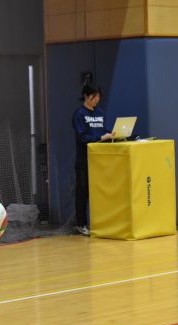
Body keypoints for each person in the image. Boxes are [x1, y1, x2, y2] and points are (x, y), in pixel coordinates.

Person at [72, 78, 114, 236]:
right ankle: (81, 224)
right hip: (84, 159)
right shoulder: (79, 114)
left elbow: (105, 130)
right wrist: (99, 138)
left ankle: (101, 222)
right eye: (93, 96)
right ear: (86, 96)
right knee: (83, 192)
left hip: (100, 160)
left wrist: (111, 135)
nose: (96, 99)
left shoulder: (100, 113)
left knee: (101, 191)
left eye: (98, 96)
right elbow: (82, 137)